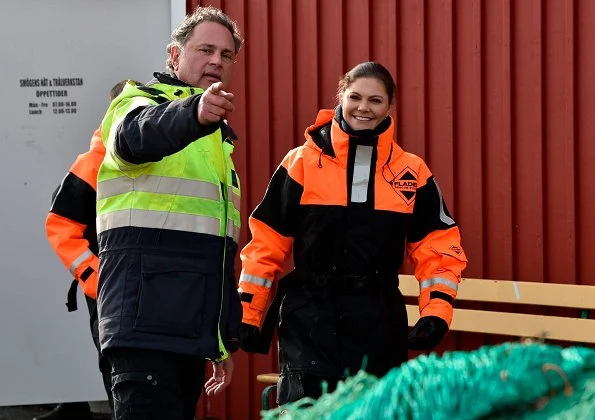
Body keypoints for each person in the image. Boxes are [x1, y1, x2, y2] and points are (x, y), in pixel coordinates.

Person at [238, 62, 468, 404]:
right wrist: (249, 313)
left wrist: (435, 311)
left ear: (390, 106)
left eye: (375, 100)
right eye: (355, 97)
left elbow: (439, 248)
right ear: (340, 98)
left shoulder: (412, 172)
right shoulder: (300, 163)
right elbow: (266, 243)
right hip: (310, 319)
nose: (364, 107)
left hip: (378, 319)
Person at [95, 6, 243, 420]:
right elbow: (133, 138)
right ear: (174, 57)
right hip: (144, 328)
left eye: (226, 55)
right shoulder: (137, 102)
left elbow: (214, 252)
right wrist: (192, 114)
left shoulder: (216, 140)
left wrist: (219, 340)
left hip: (185, 334)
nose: (216, 61)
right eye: (205, 50)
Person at [43, 79, 137, 420]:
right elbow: (60, 226)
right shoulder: (96, 160)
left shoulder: (160, 153)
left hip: (149, 292)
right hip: (110, 294)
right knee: (118, 373)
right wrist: (98, 281)